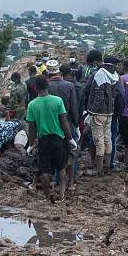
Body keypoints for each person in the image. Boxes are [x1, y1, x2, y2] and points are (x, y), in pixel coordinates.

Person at [27, 76, 77, 202]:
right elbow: (63, 121)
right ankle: (61, 194)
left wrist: (31, 144)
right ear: (47, 85)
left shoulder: (32, 105)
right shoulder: (58, 101)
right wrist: (70, 138)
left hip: (43, 140)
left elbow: (32, 127)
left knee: (44, 171)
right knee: (61, 167)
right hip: (58, 139)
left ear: (35, 88)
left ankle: (48, 196)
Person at [81, 52, 118, 175]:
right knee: (107, 138)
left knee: (99, 140)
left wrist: (91, 112)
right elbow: (114, 95)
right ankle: (107, 166)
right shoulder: (114, 74)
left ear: (95, 62)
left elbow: (99, 96)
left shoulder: (100, 74)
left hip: (98, 113)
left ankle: (99, 169)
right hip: (109, 112)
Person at [49, 61, 80, 191]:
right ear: (59, 72)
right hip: (68, 123)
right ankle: (71, 182)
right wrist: (77, 125)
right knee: (71, 153)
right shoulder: (69, 85)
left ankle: (58, 181)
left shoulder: (47, 87)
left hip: (53, 125)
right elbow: (73, 107)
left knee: (57, 153)